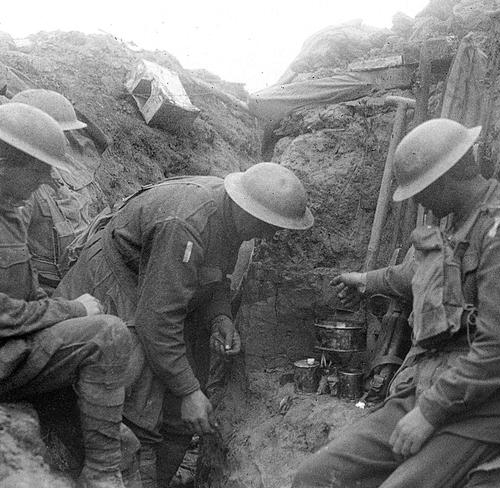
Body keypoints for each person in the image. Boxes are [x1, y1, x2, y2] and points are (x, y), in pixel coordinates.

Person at [292, 118, 500, 488]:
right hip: (438, 385)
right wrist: (365, 281)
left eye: (419, 189)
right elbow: (415, 276)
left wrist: (430, 413)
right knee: (317, 477)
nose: (417, 199)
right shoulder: (456, 225)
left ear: (445, 177)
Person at [56, 162, 314, 487]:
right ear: (246, 207)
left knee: (184, 413)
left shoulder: (233, 216)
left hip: (165, 287)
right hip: (119, 284)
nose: (271, 234)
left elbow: (215, 276)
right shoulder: (185, 222)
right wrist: (188, 390)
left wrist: (220, 317)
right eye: (267, 224)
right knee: (140, 405)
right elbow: (157, 320)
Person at [0, 102, 133, 488]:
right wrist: (71, 309)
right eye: (39, 168)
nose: (45, 179)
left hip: (14, 351)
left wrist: (63, 312)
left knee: (127, 443)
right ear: (7, 162)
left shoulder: (12, 210)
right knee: (106, 333)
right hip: (8, 353)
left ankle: (104, 466)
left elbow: (27, 290)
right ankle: (102, 475)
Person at [7, 89, 108, 294]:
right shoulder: (21, 188)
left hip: (80, 272)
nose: (67, 141)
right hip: (47, 290)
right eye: (59, 133)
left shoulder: (62, 172)